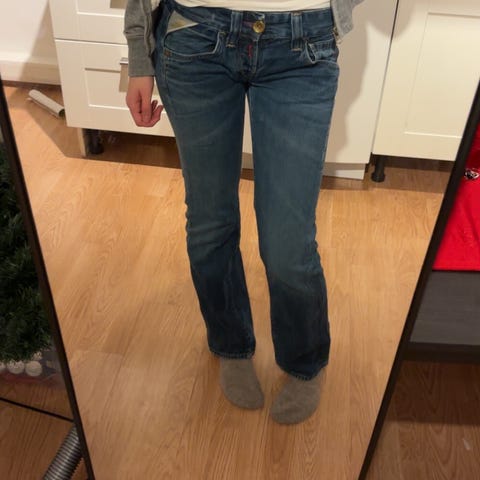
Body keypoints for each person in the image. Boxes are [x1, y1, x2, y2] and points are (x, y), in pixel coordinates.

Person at [124, 0, 363, 424]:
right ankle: (230, 344)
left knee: (288, 241)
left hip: (303, 42)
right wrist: (139, 58)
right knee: (210, 222)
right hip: (194, 35)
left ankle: (304, 359)